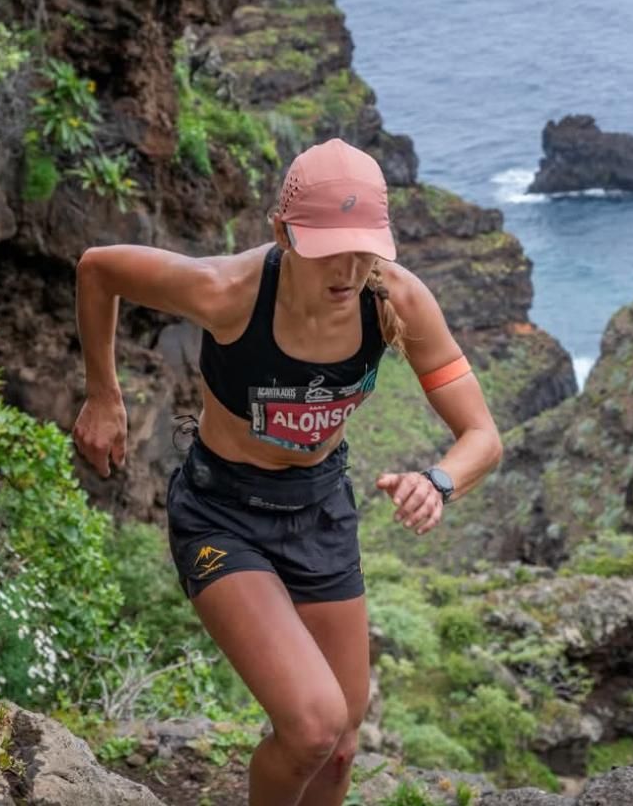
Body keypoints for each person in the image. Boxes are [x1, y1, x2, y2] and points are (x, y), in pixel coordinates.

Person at [71, 138, 502, 806]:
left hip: (321, 509)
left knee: (341, 746)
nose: (349, 269)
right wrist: (104, 394)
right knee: (311, 726)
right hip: (223, 512)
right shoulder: (229, 293)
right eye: (329, 249)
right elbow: (100, 270)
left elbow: (481, 435)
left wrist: (438, 480)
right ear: (283, 234)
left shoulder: (394, 301)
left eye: (365, 250)